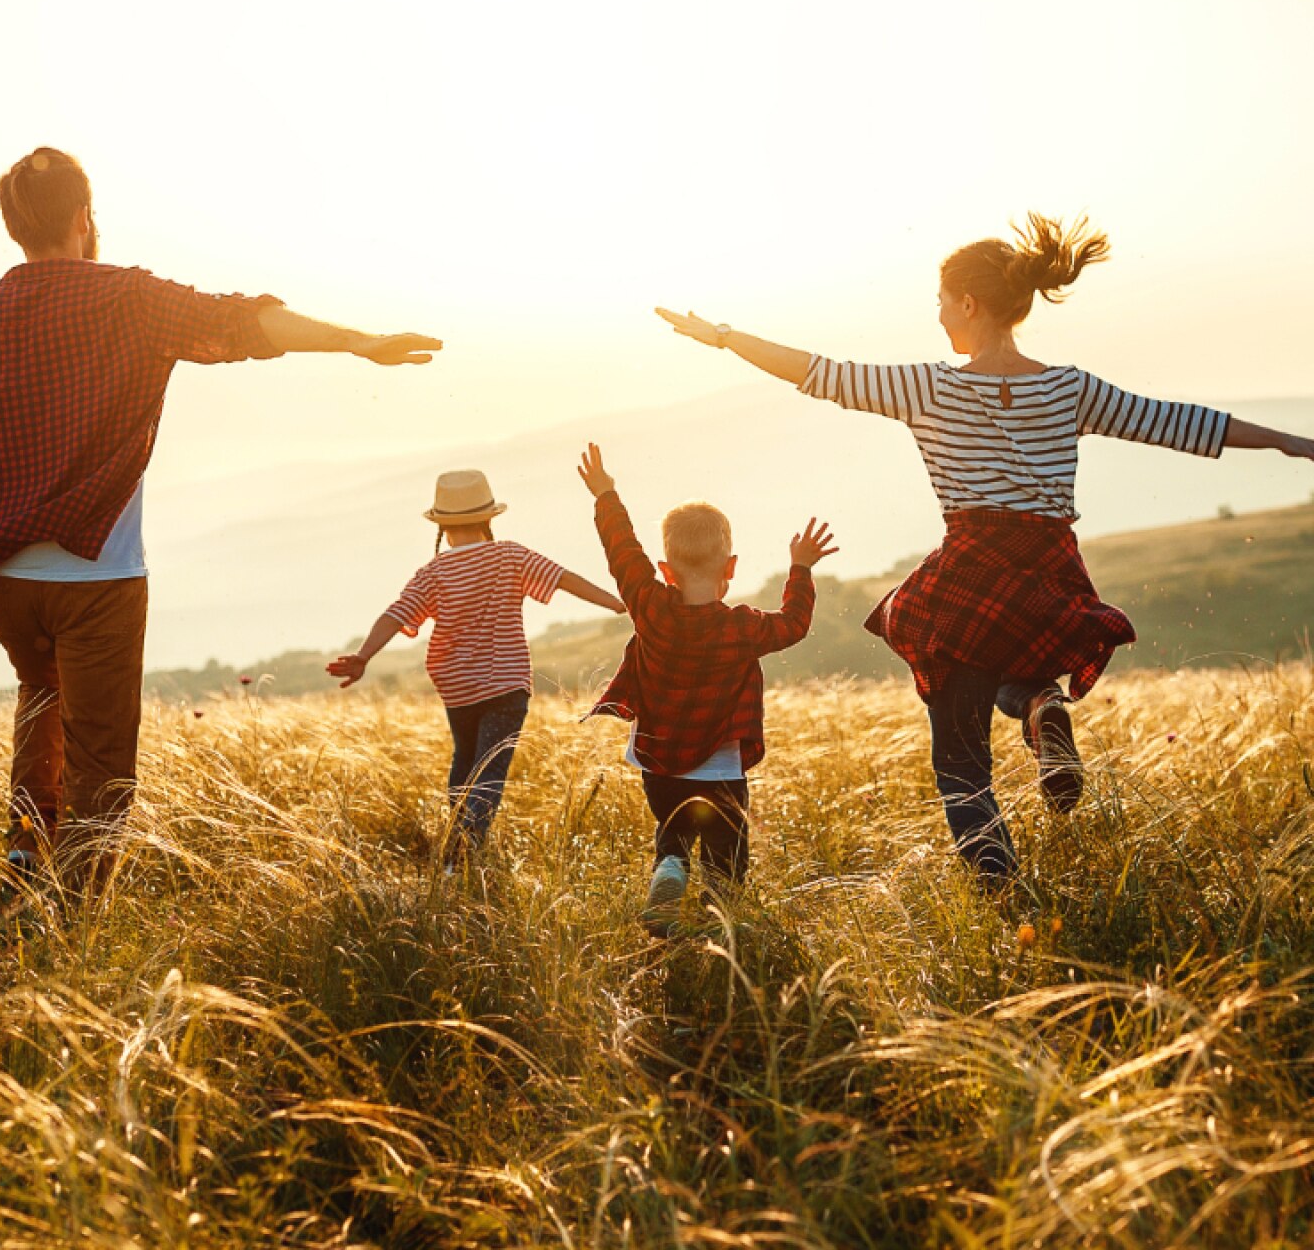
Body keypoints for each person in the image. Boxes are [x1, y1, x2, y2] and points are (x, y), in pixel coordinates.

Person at [656, 213, 1314, 891]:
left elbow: (817, 372)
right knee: (1021, 664)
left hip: (971, 569)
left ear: (969, 303)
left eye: (943, 303)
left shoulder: (930, 387)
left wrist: (725, 338)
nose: (940, 317)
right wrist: (1291, 442)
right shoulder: (1070, 388)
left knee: (963, 765)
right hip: (1049, 571)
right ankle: (1040, 709)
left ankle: (1000, 888)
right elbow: (1180, 423)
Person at [0, 147, 442, 891]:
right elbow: (244, 323)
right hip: (98, 576)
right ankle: (72, 916)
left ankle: (23, 854)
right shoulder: (130, 300)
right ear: (84, 218)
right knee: (103, 758)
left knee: (41, 692)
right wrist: (357, 341)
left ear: (15, 227)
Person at [576, 443, 835, 935]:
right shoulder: (743, 627)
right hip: (720, 766)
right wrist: (800, 568)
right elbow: (795, 623)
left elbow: (622, 552)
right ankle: (719, 923)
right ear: (731, 567)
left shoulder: (649, 605)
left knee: (673, 828)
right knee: (726, 852)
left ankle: (670, 866)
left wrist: (606, 494)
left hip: (657, 759)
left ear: (666, 570)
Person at [327, 468, 624, 865]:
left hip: (457, 687)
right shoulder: (510, 555)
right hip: (506, 684)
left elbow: (395, 615)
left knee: (464, 763)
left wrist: (363, 656)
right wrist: (619, 603)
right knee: (490, 770)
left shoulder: (432, 573)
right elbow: (565, 579)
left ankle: (454, 853)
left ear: (442, 526)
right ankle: (465, 853)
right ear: (488, 518)